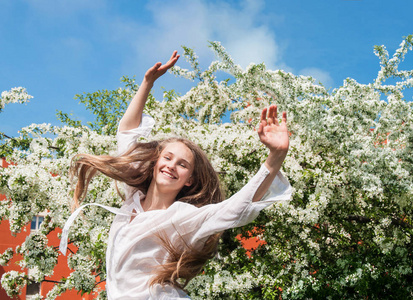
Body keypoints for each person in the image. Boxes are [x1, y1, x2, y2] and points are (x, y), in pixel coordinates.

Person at [60, 51, 292, 299]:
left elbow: (236, 208)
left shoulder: (183, 218)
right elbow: (127, 132)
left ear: (189, 180)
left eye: (182, 165)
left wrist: (275, 157)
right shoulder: (133, 201)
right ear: (154, 164)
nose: (172, 166)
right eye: (168, 158)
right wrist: (147, 83)